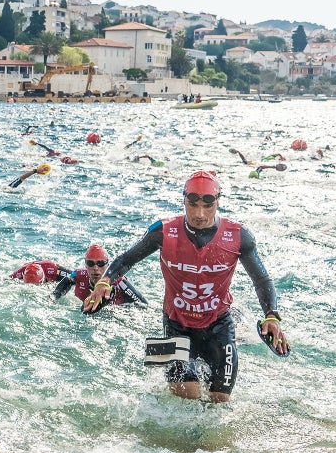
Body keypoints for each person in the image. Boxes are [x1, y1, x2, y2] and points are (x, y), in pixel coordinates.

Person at [84, 171, 288, 403]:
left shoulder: (239, 236)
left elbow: (262, 280)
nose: (200, 214)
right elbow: (125, 259)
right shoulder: (163, 231)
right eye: (193, 205)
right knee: (185, 401)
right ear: (184, 201)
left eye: (207, 206)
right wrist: (104, 281)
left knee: (219, 403)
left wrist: (272, 316)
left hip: (219, 326)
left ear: (218, 202)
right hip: (175, 325)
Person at [12, 245, 147, 307]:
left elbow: (144, 305)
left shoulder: (120, 283)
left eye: (100, 264)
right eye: (91, 263)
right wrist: (52, 298)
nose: (96, 268)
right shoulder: (78, 275)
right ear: (85, 265)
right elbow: (62, 287)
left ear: (108, 265)